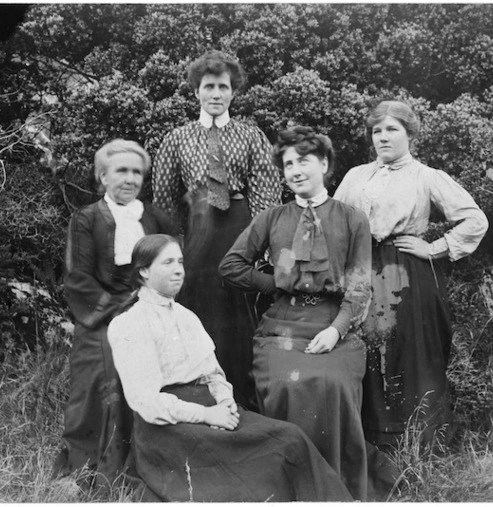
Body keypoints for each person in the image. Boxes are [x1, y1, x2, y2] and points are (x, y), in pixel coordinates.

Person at [219, 127, 395, 501]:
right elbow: (231, 265)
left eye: (303, 161)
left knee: (331, 385)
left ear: (325, 164)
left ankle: (332, 485)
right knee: (286, 384)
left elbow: (360, 284)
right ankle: (290, 485)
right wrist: (275, 283)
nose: (295, 170)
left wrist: (336, 330)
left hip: (335, 326)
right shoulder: (272, 217)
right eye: (287, 164)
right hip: (282, 326)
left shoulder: (352, 218)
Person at [107, 234, 353, 502]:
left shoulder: (185, 316)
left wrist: (225, 403)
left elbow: (213, 374)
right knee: (238, 471)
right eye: (168, 263)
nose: (179, 270)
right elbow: (146, 402)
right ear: (143, 271)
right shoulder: (129, 324)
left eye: (180, 261)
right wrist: (206, 415)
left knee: (289, 437)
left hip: (212, 407)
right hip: (168, 428)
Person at [333, 100, 489, 450]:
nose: (383, 138)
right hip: (363, 270)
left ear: (410, 134)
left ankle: (421, 442)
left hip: (408, 272)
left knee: (411, 351)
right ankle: (372, 441)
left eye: (392, 130)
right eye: (377, 131)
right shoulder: (356, 176)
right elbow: (334, 222)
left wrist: (434, 248)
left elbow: (475, 220)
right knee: (368, 349)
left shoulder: (426, 176)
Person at [152, 50, 280, 410]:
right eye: (209, 86)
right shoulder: (176, 139)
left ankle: (243, 400)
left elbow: (266, 195)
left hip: (239, 228)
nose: (216, 94)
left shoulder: (252, 136)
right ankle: (200, 399)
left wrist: (259, 246)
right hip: (197, 234)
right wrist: (173, 249)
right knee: (198, 310)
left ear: (233, 92)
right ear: (196, 91)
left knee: (239, 312)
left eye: (223, 87)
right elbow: (164, 201)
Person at [53, 139, 176, 486]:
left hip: (151, 312)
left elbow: (173, 269)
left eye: (137, 172)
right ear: (102, 177)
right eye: (121, 170)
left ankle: (147, 467)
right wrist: (123, 309)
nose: (130, 178)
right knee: (99, 374)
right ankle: (85, 471)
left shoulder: (155, 218)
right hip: (102, 316)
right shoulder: (86, 219)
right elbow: (78, 278)